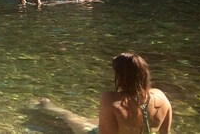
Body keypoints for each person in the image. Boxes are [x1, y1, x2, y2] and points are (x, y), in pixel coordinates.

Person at [36, 52, 172, 133]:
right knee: (91, 120)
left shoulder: (111, 99)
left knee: (69, 117)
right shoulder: (161, 96)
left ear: (121, 76)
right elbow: (165, 132)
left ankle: (47, 106)